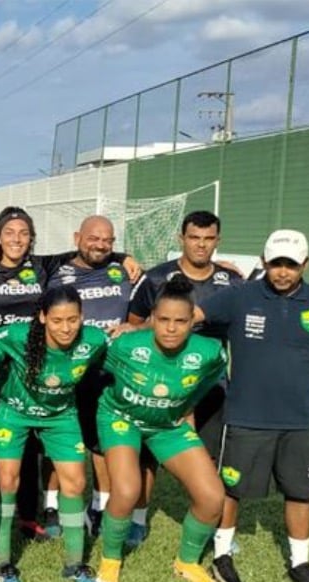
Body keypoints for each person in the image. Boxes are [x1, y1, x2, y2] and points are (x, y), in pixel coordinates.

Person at [201, 230, 309, 582]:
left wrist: (294, 377)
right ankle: (221, 554)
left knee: (300, 492)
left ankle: (300, 563)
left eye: (291, 265)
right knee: (231, 489)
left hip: (301, 420)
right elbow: (193, 314)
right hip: (246, 416)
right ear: (264, 262)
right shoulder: (239, 296)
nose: (283, 272)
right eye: (276, 263)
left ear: (305, 265)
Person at [95, 279, 227, 582]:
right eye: (163, 319)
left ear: (193, 319)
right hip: (121, 419)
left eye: (180, 321)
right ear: (153, 316)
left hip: (169, 426)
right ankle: (110, 561)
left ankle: (187, 562)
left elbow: (211, 379)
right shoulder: (125, 345)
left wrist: (190, 406)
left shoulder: (210, 352)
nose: (170, 328)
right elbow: (90, 364)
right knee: (127, 490)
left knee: (212, 497)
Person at [124, 210, 242, 546]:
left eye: (208, 239)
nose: (201, 245)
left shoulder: (232, 282)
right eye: (194, 238)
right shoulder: (157, 278)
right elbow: (133, 325)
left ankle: (214, 525)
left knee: (212, 456)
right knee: (147, 457)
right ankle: (137, 520)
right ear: (181, 238)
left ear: (218, 240)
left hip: (212, 388)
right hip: (160, 387)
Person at [0, 285, 108, 582]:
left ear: (82, 317)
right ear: (42, 317)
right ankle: (1, 562)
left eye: (72, 319)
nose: (66, 328)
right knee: (7, 481)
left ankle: (74, 564)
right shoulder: (16, 336)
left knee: (76, 482)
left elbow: (123, 352)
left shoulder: (93, 341)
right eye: (57, 320)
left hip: (60, 415)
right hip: (13, 412)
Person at [46, 215, 137, 538]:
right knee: (59, 440)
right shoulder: (56, 273)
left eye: (107, 240)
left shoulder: (124, 271)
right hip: (66, 370)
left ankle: (99, 505)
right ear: (76, 237)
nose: (99, 244)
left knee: (100, 444)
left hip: (109, 372)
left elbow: (161, 290)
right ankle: (51, 504)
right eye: (93, 238)